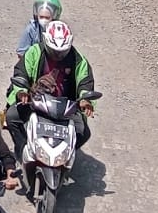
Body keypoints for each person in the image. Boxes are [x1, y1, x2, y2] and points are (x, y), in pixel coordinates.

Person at [6, 19, 97, 156]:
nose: (58, 55)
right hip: (36, 100)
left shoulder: (78, 60)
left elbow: (85, 81)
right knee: (12, 117)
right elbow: (21, 71)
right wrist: (22, 91)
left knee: (83, 132)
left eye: (62, 52)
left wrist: (85, 100)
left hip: (66, 107)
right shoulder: (34, 52)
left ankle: (64, 154)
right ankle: (24, 150)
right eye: (54, 51)